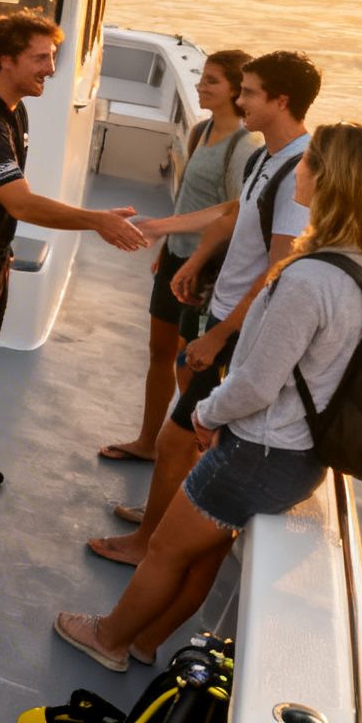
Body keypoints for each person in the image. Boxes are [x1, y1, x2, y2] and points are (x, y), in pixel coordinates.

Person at [55, 122, 362, 670]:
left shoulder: (308, 279)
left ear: (332, 180)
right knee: (204, 560)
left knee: (168, 552)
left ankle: (110, 638)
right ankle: (147, 644)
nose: (301, 169)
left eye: (310, 161)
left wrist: (205, 412)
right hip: (297, 456)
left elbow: (258, 382)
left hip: (256, 453)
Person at [88, 50, 319, 566]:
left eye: (251, 92)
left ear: (281, 101)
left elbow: (280, 270)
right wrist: (163, 233)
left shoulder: (297, 172)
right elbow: (233, 212)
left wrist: (219, 333)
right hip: (222, 313)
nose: (241, 99)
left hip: (239, 330)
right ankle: (155, 526)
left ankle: (149, 543)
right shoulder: (268, 157)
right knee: (182, 437)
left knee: (178, 440)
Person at [0, 11, 149, 519]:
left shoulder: (13, 108)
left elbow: (2, 203)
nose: (51, 68)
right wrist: (96, 221)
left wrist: (4, 249)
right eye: (40, 58)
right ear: (7, 60)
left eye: (52, 57)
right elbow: (20, 201)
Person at [99, 50, 257, 463]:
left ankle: (182, 465)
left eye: (212, 82)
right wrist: (167, 247)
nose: (201, 87)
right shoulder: (201, 131)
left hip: (205, 269)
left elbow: (232, 213)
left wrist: (189, 254)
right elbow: (188, 198)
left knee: (189, 370)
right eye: (202, 79)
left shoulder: (243, 145)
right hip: (176, 259)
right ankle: (148, 443)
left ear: (237, 91)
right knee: (159, 352)